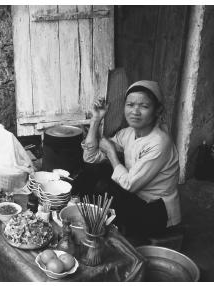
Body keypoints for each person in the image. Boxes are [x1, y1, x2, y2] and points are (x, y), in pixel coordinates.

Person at [72, 80, 181, 237]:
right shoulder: (129, 133)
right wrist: (96, 119)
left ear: (158, 110)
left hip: (156, 210)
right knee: (93, 172)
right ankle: (84, 217)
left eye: (144, 106)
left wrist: (111, 152)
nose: (135, 111)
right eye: (130, 105)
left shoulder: (159, 142)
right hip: (135, 198)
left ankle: (108, 231)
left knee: (104, 186)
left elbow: (130, 185)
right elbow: (91, 157)